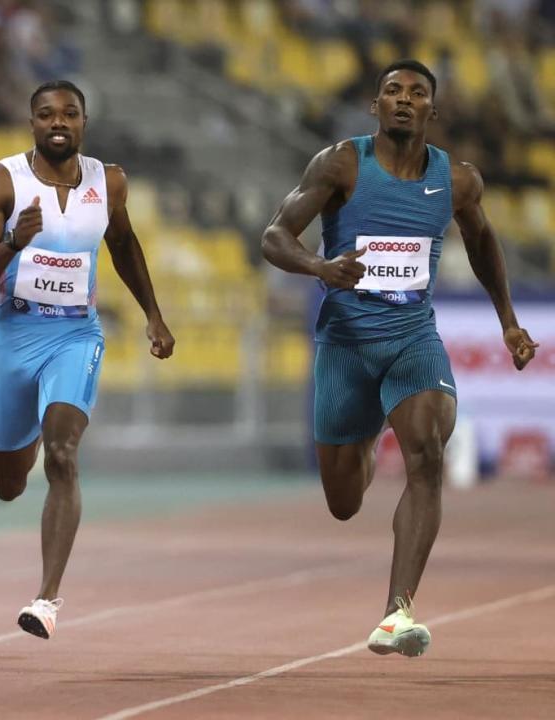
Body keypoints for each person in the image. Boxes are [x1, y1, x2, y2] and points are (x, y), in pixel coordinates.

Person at [261, 59, 538, 657]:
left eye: (417, 93)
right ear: (376, 106)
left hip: (414, 340)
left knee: (428, 455)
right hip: (346, 346)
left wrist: (509, 322)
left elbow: (484, 242)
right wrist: (320, 267)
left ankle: (397, 612)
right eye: (393, 91)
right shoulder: (341, 163)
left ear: (432, 111)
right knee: (343, 501)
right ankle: (362, 437)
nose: (404, 100)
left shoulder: (458, 180)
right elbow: (275, 235)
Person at [0, 80, 175, 639]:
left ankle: (47, 598)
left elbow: (123, 245)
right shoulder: (1, 182)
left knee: (63, 453)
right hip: (14, 334)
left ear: (84, 121)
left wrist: (152, 313)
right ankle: (23, 440)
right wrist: (11, 244)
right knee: (9, 482)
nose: (59, 122)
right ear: (31, 122)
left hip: (76, 334)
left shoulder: (110, 181)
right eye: (47, 114)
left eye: (70, 113)